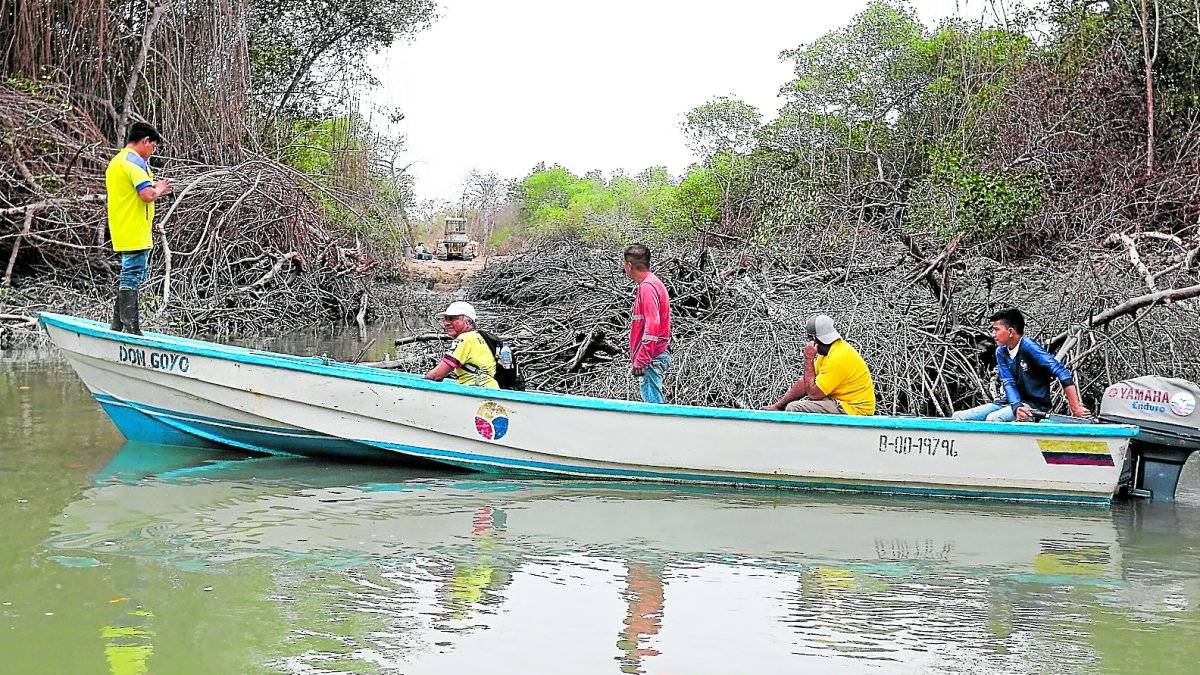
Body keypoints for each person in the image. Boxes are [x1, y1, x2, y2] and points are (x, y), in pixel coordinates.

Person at [952, 308, 1091, 422]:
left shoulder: (1029, 347)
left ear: (1011, 331)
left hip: (1034, 406)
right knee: (958, 416)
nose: (993, 334)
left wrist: (1075, 408)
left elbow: (1062, 372)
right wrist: (1016, 405)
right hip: (1009, 403)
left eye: (996, 330)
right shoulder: (1001, 352)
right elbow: (1008, 382)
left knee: (994, 419)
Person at [105, 121, 172, 335]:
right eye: (153, 147)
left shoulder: (118, 161)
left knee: (130, 273)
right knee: (132, 274)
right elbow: (147, 194)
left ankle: (117, 326)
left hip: (125, 227)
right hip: (133, 230)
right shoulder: (133, 163)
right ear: (145, 141)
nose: (152, 152)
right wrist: (160, 187)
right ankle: (131, 328)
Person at [765, 314, 876, 415]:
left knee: (794, 408)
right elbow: (805, 383)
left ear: (814, 339)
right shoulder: (830, 351)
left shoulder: (838, 357)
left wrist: (808, 359)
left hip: (855, 410)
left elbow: (814, 394)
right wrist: (778, 406)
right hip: (842, 403)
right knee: (800, 405)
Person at [623, 243, 671, 403]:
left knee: (653, 407)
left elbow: (652, 326)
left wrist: (642, 359)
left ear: (629, 265)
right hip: (654, 355)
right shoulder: (652, 283)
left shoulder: (648, 287)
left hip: (652, 357)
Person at [423, 301, 499, 388]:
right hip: (490, 388)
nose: (446, 323)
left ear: (468, 322)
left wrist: (421, 384)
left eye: (452, 318)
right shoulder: (479, 337)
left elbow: (436, 375)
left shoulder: (465, 339)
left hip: (477, 390)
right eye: (446, 318)